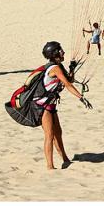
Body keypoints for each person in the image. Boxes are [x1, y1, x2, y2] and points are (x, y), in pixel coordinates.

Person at [39, 41, 87, 170]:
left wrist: (72, 68)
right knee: (49, 135)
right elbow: (68, 84)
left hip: (52, 106)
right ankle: (50, 165)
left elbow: (69, 79)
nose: (63, 52)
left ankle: (65, 159)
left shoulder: (59, 66)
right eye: (60, 50)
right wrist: (81, 97)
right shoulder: (55, 68)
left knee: (58, 133)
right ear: (55, 54)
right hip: (43, 107)